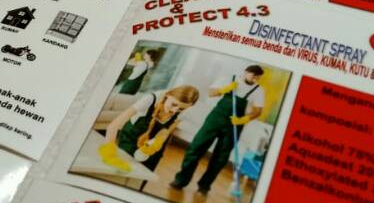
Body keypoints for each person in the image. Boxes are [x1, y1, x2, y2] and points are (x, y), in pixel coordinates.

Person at [170, 66, 265, 195]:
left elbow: (258, 111)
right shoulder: (229, 78)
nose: (255, 80)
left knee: (220, 158)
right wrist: (224, 89)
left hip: (234, 124)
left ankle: (204, 186)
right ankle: (180, 180)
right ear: (246, 72)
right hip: (215, 119)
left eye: (258, 78)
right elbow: (210, 93)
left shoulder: (259, 90)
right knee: (195, 148)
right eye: (253, 76)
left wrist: (244, 119)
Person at [99, 86, 200, 173]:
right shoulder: (150, 99)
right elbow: (114, 125)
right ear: (168, 95)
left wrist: (157, 143)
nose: (174, 110)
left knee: (143, 175)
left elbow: (166, 131)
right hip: (131, 138)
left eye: (181, 109)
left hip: (152, 146)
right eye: (174, 104)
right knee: (121, 171)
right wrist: (109, 153)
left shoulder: (183, 111)